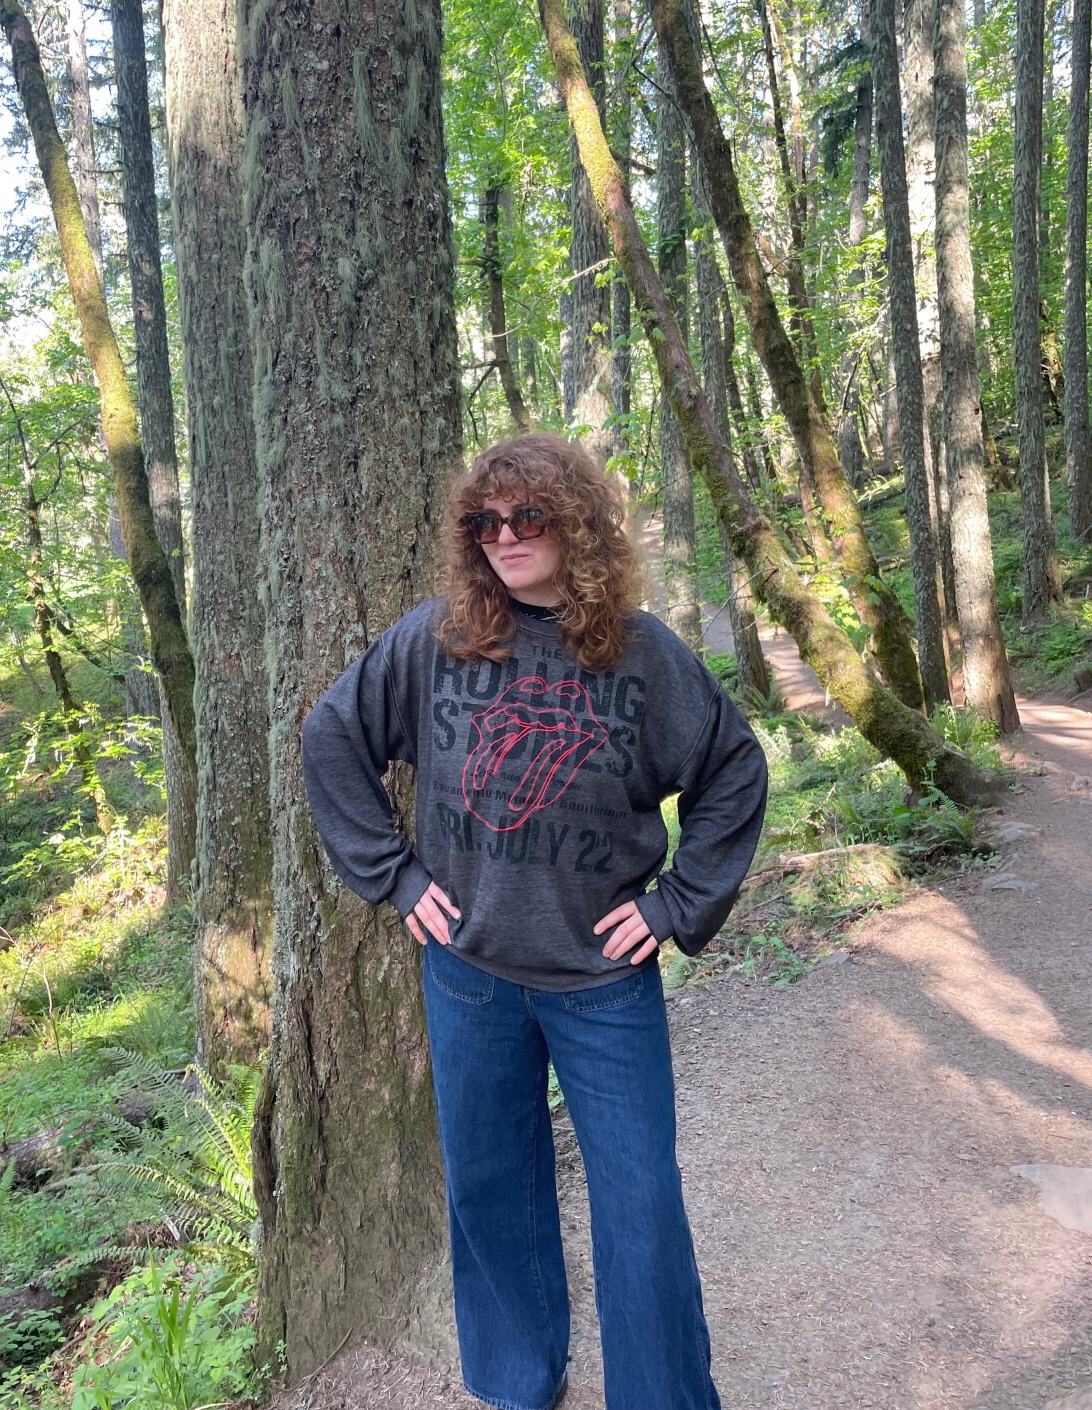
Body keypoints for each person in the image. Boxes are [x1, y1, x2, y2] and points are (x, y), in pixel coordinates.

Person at [301, 432, 768, 1410]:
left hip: (602, 985)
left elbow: (732, 770)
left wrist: (676, 904)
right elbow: (332, 735)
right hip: (469, 974)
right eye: (486, 522)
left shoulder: (643, 655)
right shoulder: (437, 640)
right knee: (489, 1189)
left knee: (640, 1207)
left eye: (529, 516)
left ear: (577, 524)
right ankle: (519, 1383)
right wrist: (393, 877)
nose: (505, 536)